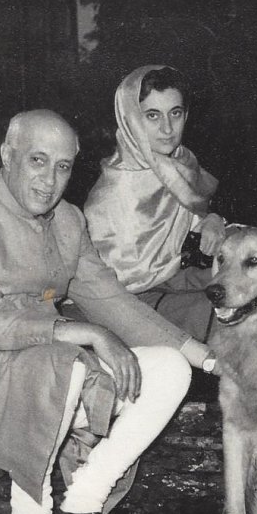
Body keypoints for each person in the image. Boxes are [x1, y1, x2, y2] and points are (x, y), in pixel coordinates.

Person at [0, 109, 218, 514]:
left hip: (47, 370)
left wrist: (206, 358)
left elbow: (111, 299)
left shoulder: (68, 221)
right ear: (7, 155)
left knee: (166, 369)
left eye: (63, 167)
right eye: (38, 161)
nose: (50, 180)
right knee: (67, 361)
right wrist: (85, 333)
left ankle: (83, 504)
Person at [83, 66, 224, 342]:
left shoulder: (179, 164)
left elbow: (195, 212)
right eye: (152, 116)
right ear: (130, 120)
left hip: (173, 279)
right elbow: (114, 289)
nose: (167, 129)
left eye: (175, 113)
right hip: (128, 305)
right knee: (223, 314)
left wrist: (212, 219)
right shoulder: (114, 190)